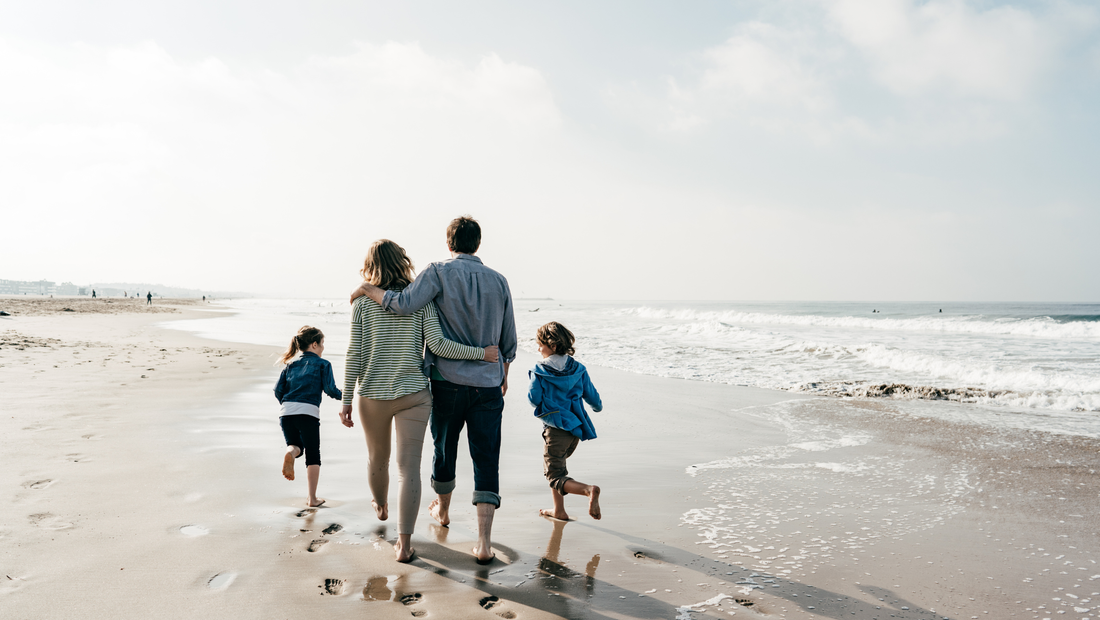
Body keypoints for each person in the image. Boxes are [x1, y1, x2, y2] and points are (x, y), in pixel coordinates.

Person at [351, 216, 516, 565]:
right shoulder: (500, 281)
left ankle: (441, 510)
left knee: (444, 450)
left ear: (449, 242)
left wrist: (366, 289)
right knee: (486, 458)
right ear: (479, 243)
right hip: (487, 384)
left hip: (446, 383)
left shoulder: (437, 273)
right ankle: (484, 543)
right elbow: (508, 340)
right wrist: (503, 370)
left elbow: (402, 305)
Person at [528, 322, 603, 521]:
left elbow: (533, 398)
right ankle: (558, 510)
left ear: (551, 345)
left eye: (540, 344)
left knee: (554, 475)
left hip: (555, 428)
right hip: (576, 428)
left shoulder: (539, 370)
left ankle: (588, 490)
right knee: (557, 468)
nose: (538, 349)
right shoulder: (578, 368)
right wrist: (597, 408)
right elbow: (593, 397)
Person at [274, 326, 342, 508]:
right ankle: (312, 498)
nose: (323, 348)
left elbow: (278, 390)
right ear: (314, 344)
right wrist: (345, 395)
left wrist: (288, 404)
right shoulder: (323, 364)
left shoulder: (290, 366)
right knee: (313, 455)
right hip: (308, 413)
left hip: (286, 413)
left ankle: (290, 453)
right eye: (322, 344)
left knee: (296, 446)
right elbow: (330, 389)